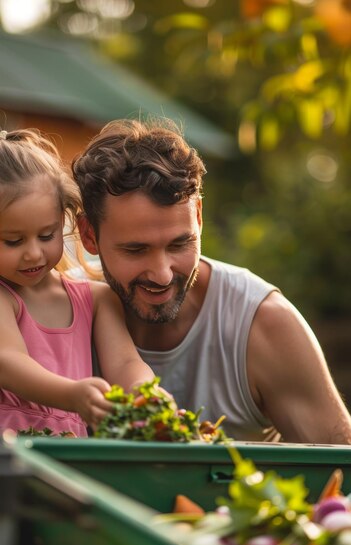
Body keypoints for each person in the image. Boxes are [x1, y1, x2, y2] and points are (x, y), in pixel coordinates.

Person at [72, 117, 351, 444]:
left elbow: (342, 472)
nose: (162, 274)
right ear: (89, 234)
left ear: (199, 217)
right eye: (136, 250)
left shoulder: (263, 325)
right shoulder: (52, 313)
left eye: (179, 244)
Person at [0, 127, 156, 438]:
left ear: (64, 221)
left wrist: (145, 395)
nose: (33, 254)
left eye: (47, 235)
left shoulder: (96, 299)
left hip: (71, 456)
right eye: (13, 241)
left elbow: (125, 362)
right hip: (11, 458)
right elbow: (8, 361)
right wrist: (73, 396)